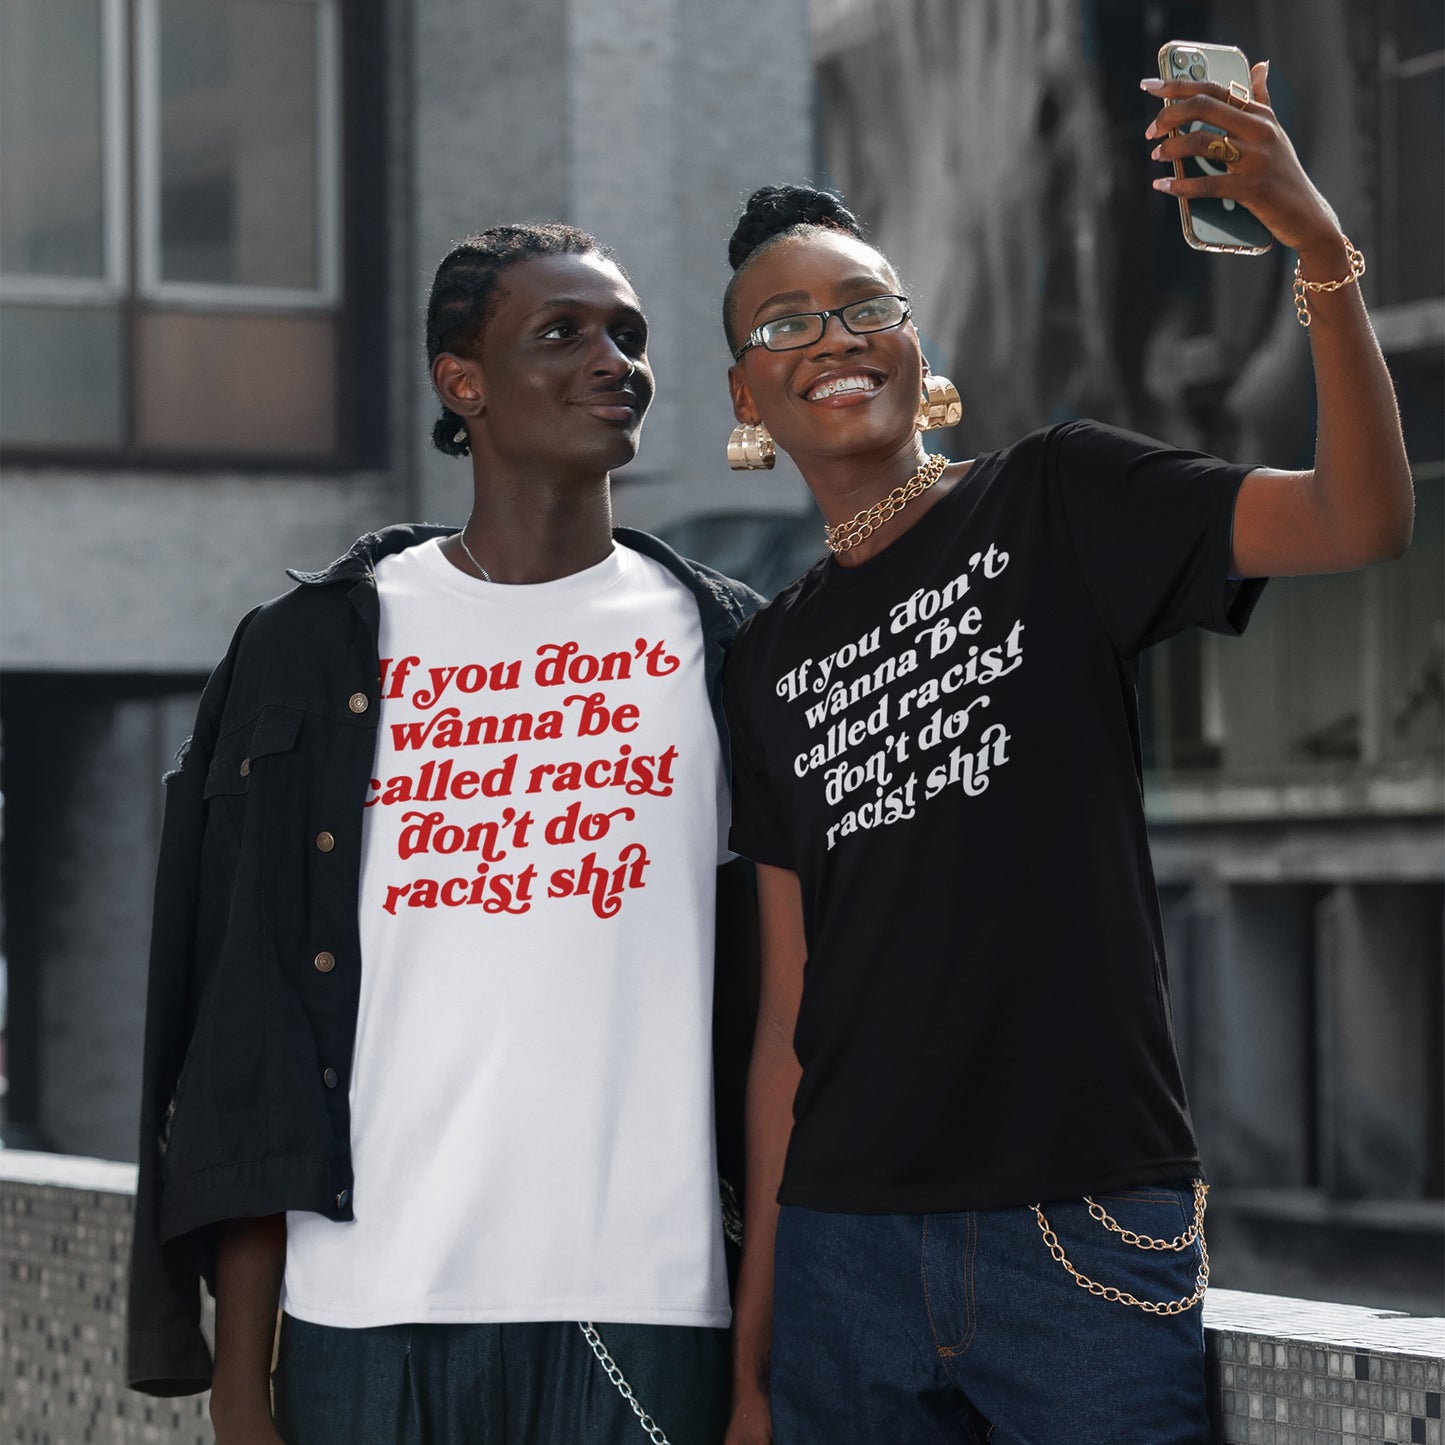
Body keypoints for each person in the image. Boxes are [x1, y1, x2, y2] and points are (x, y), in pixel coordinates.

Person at [718, 63, 1413, 1445]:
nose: (831, 335)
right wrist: (755, 1350)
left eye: (865, 306)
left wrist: (1318, 250)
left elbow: (1355, 519)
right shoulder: (768, 655)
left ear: (921, 352)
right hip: (843, 1255)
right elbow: (790, 1019)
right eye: (785, 321)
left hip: (1079, 1227)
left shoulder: (1059, 498)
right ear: (748, 391)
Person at [126, 221, 762, 1445]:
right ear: (459, 382)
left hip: (647, 1304)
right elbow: (246, 1018)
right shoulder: (314, 649)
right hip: (361, 1313)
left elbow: (795, 1003)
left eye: (627, 335)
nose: (613, 360)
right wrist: (241, 1385)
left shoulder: (724, 643)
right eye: (562, 333)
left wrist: (761, 1365)